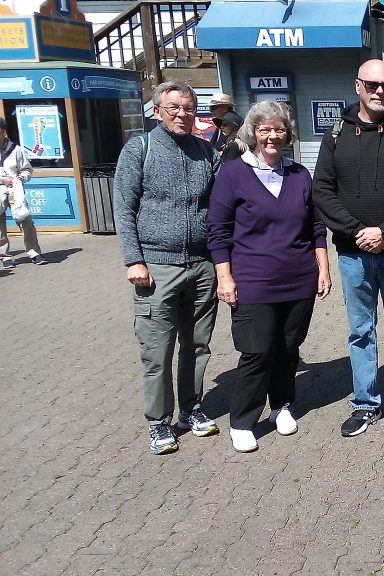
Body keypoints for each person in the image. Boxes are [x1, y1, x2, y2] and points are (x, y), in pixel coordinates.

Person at [312, 59, 384, 437]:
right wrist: (356, 230)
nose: (381, 91)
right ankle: (365, 404)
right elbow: (322, 191)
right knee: (360, 331)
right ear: (358, 86)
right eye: (373, 84)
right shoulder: (335, 135)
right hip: (352, 253)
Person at [207, 101, 331, 453]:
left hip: (298, 279)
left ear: (288, 134)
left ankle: (281, 405)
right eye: (265, 129)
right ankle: (243, 421)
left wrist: (323, 268)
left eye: (279, 129)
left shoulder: (299, 175)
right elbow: (218, 230)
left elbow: (315, 227)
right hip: (253, 280)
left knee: (288, 348)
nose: (273, 135)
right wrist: (224, 277)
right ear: (254, 132)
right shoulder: (233, 173)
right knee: (257, 351)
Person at [113, 81, 221, 455]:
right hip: (156, 266)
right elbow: (123, 209)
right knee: (157, 350)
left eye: (189, 107)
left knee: (198, 345)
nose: (182, 114)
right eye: (173, 107)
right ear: (157, 111)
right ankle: (159, 421)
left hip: (202, 264)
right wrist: (133, 259)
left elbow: (223, 206)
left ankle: (192, 409)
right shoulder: (139, 149)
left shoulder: (207, 152)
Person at [0, 119, 46, 268]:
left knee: (25, 220)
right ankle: (4, 256)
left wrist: (19, 179)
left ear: (4, 131)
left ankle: (34, 252)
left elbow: (27, 169)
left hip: (15, 190)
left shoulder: (16, 149)